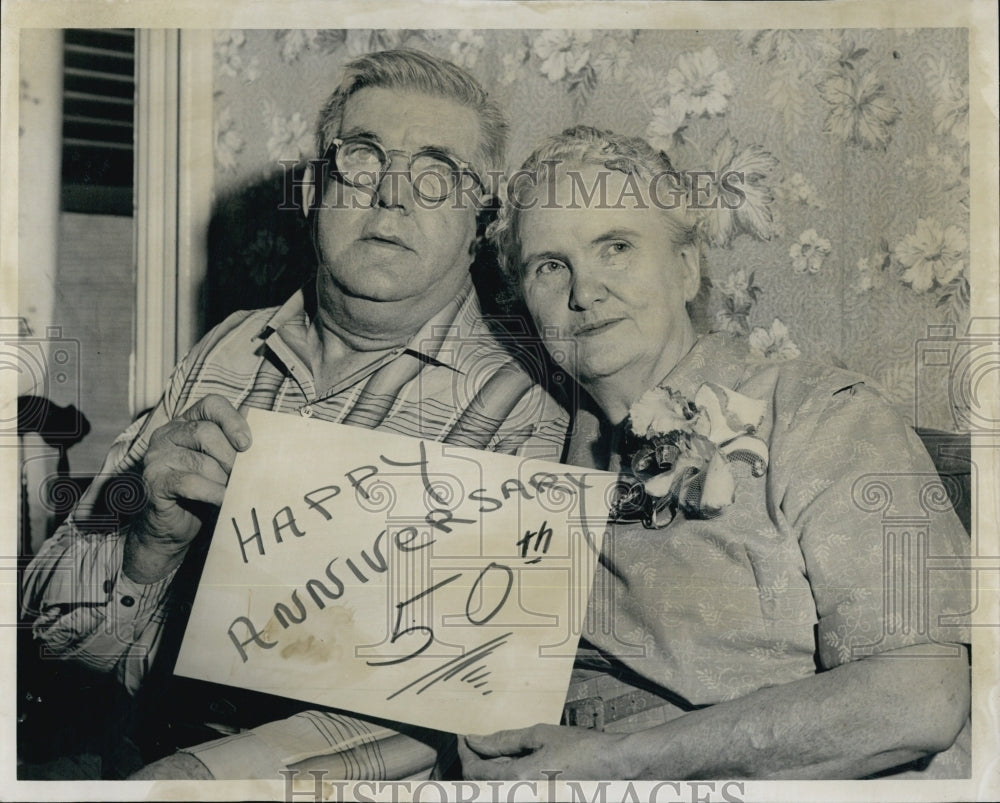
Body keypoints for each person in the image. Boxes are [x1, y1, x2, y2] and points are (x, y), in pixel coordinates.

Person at [20, 49, 568, 780]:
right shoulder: (225, 351)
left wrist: (205, 777)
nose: (392, 199)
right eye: (364, 162)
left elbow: (471, 709)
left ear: (480, 221)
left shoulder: (528, 404)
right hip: (128, 757)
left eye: (437, 176)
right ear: (314, 188)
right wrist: (147, 544)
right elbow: (42, 629)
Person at [460, 126, 972, 780]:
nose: (584, 292)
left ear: (686, 268)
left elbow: (919, 696)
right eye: (550, 266)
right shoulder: (526, 449)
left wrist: (617, 761)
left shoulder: (822, 410)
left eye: (615, 247)